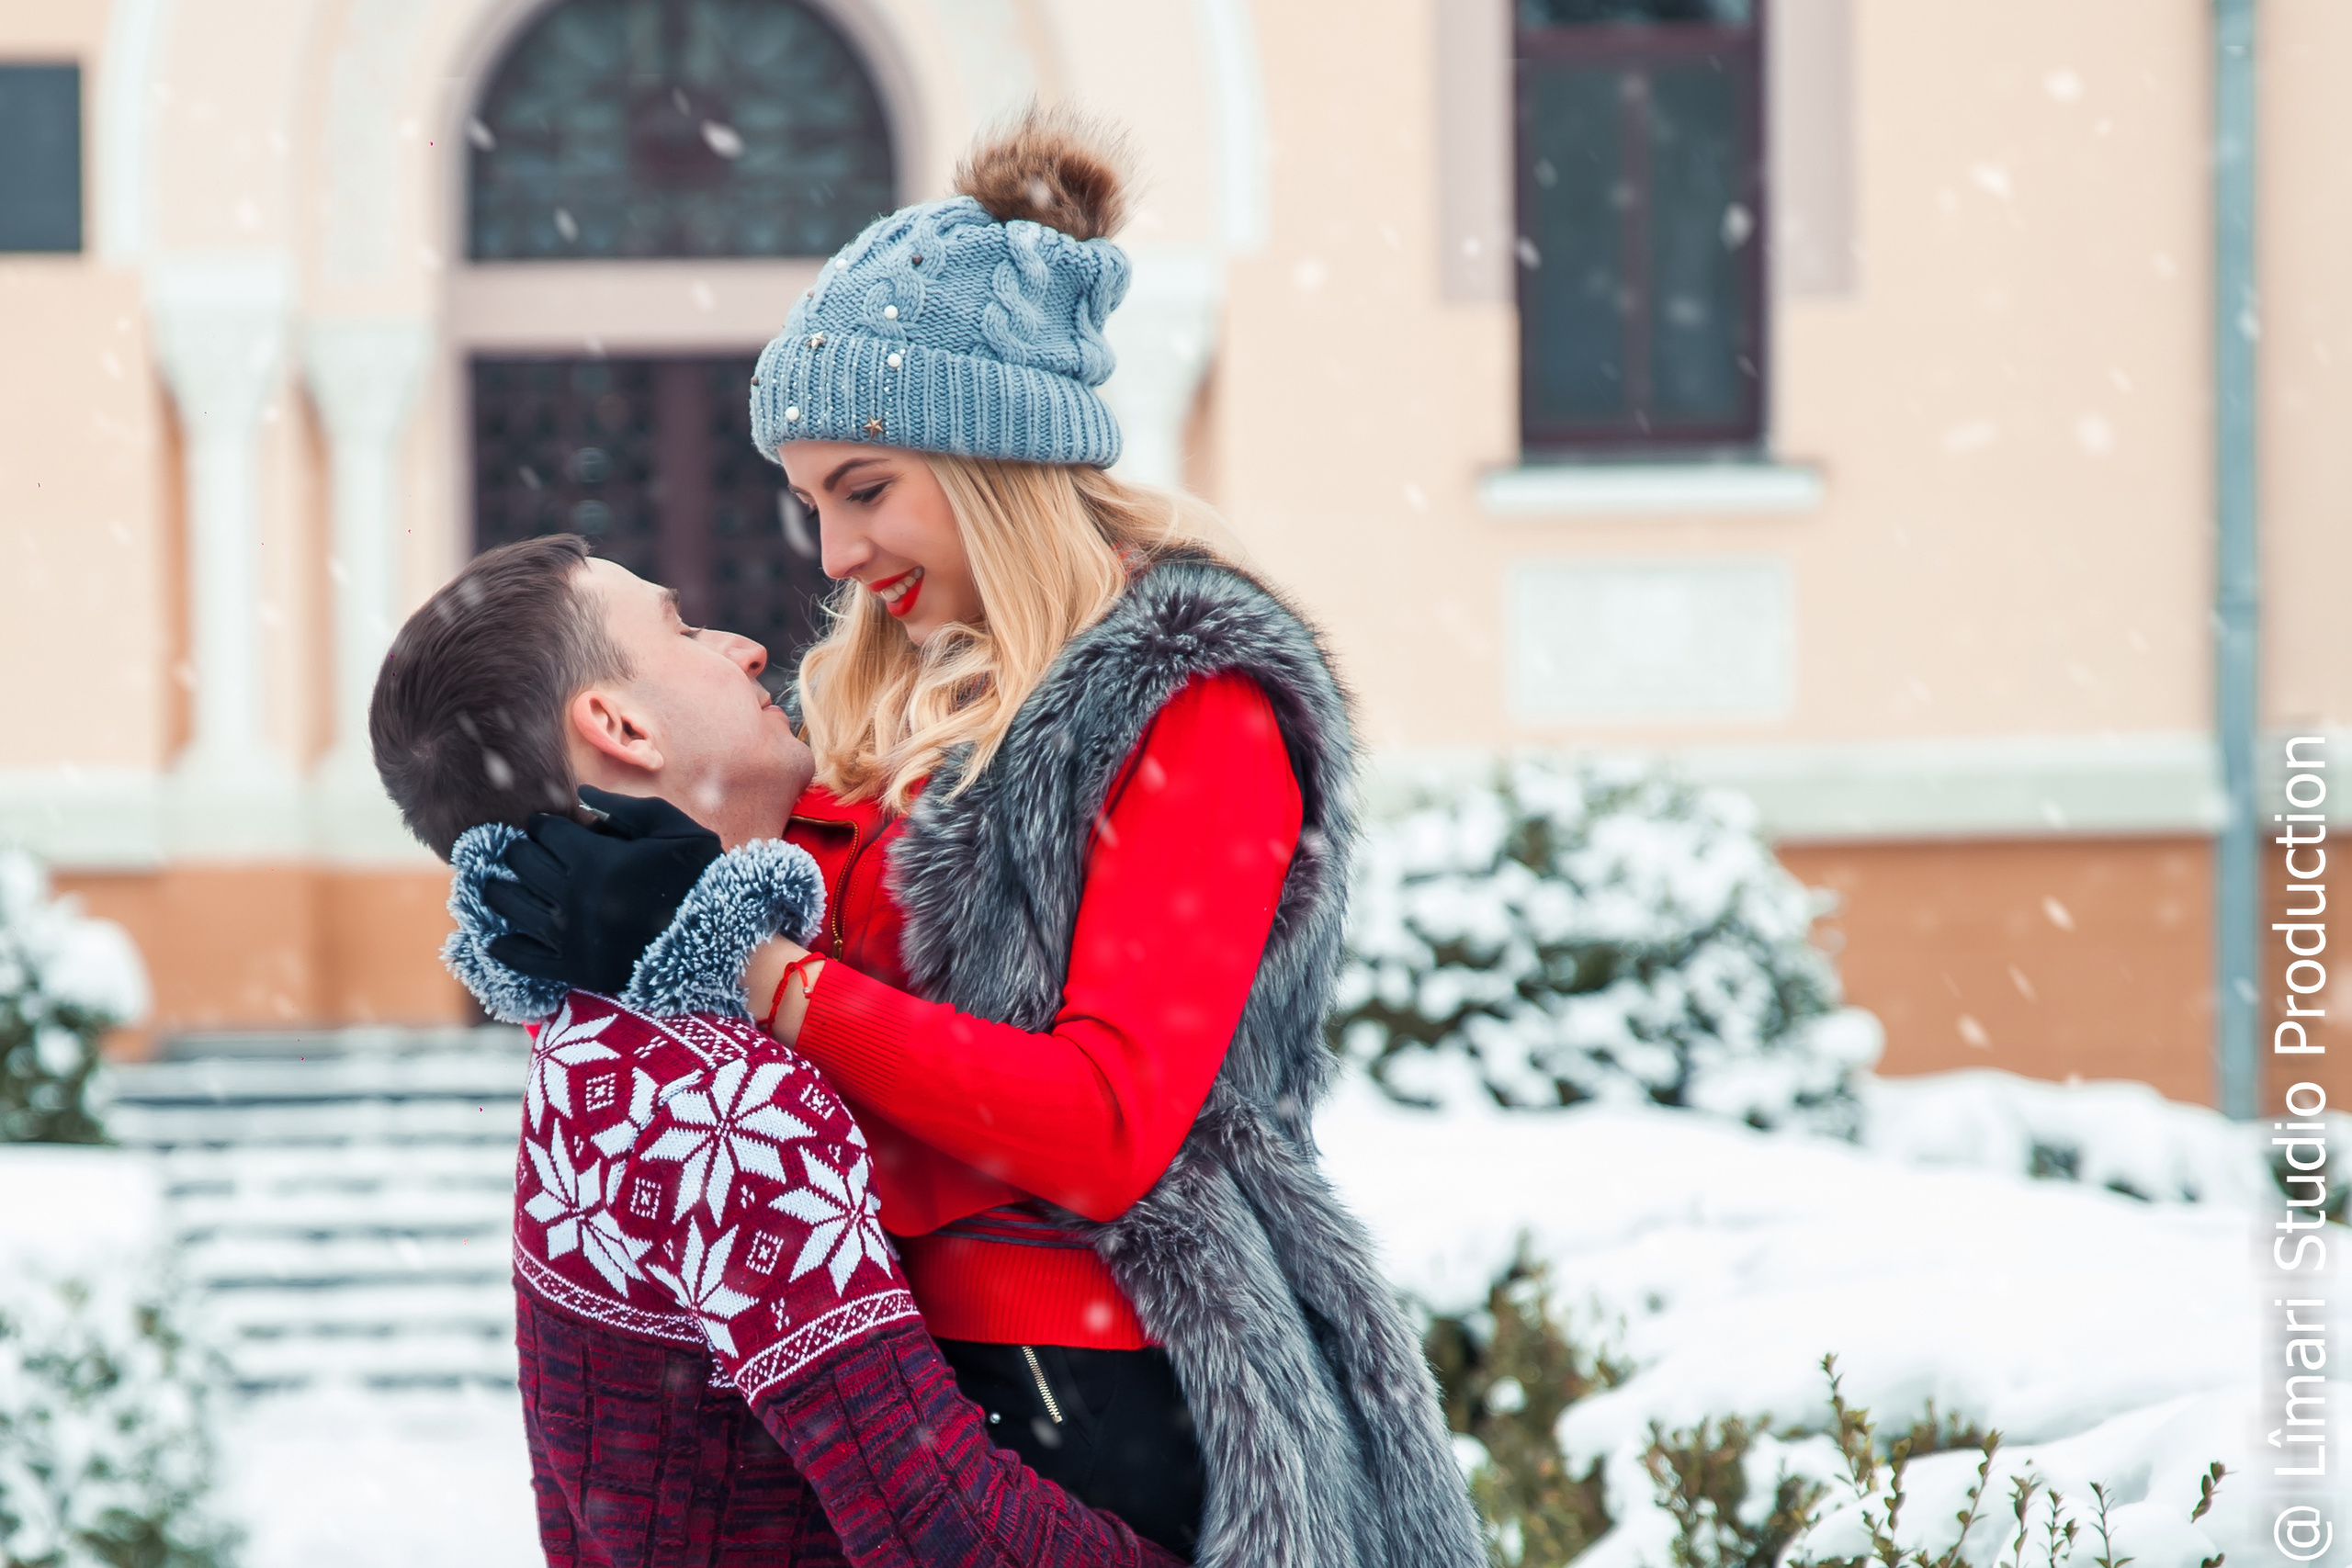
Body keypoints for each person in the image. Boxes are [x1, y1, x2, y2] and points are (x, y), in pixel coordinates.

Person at [482, 109, 1484, 1568]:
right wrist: (592, 900)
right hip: (899, 1388)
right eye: (811, 502)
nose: (832, 556)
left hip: (1110, 1393)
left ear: (999, 456)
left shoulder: (1193, 702)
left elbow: (1100, 1130)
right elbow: (787, 1029)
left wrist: (753, 965)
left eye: (866, 489)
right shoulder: (892, 708)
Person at [368, 534, 1181, 1568]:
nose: (745, 647)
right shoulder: (722, 1101)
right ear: (618, 724)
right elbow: (938, 1525)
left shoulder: (596, 1045)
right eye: (681, 627)